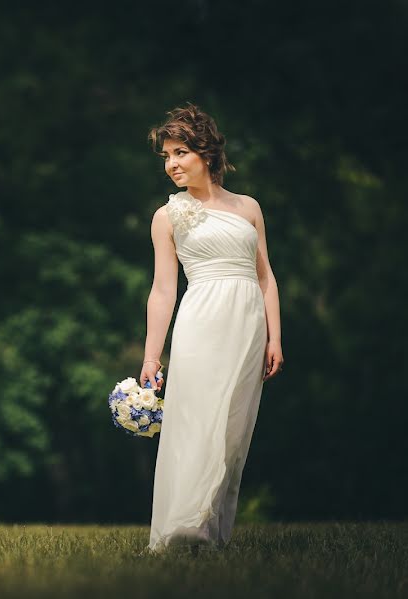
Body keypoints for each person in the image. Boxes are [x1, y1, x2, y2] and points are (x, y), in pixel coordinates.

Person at [140, 103, 283, 554]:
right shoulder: (168, 216)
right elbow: (164, 290)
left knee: (233, 429)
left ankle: (213, 532)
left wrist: (275, 337)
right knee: (196, 421)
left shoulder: (249, 208)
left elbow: (265, 276)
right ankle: (182, 530)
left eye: (180, 152)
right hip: (200, 321)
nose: (172, 165)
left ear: (206, 151)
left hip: (248, 327)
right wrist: (150, 354)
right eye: (166, 156)